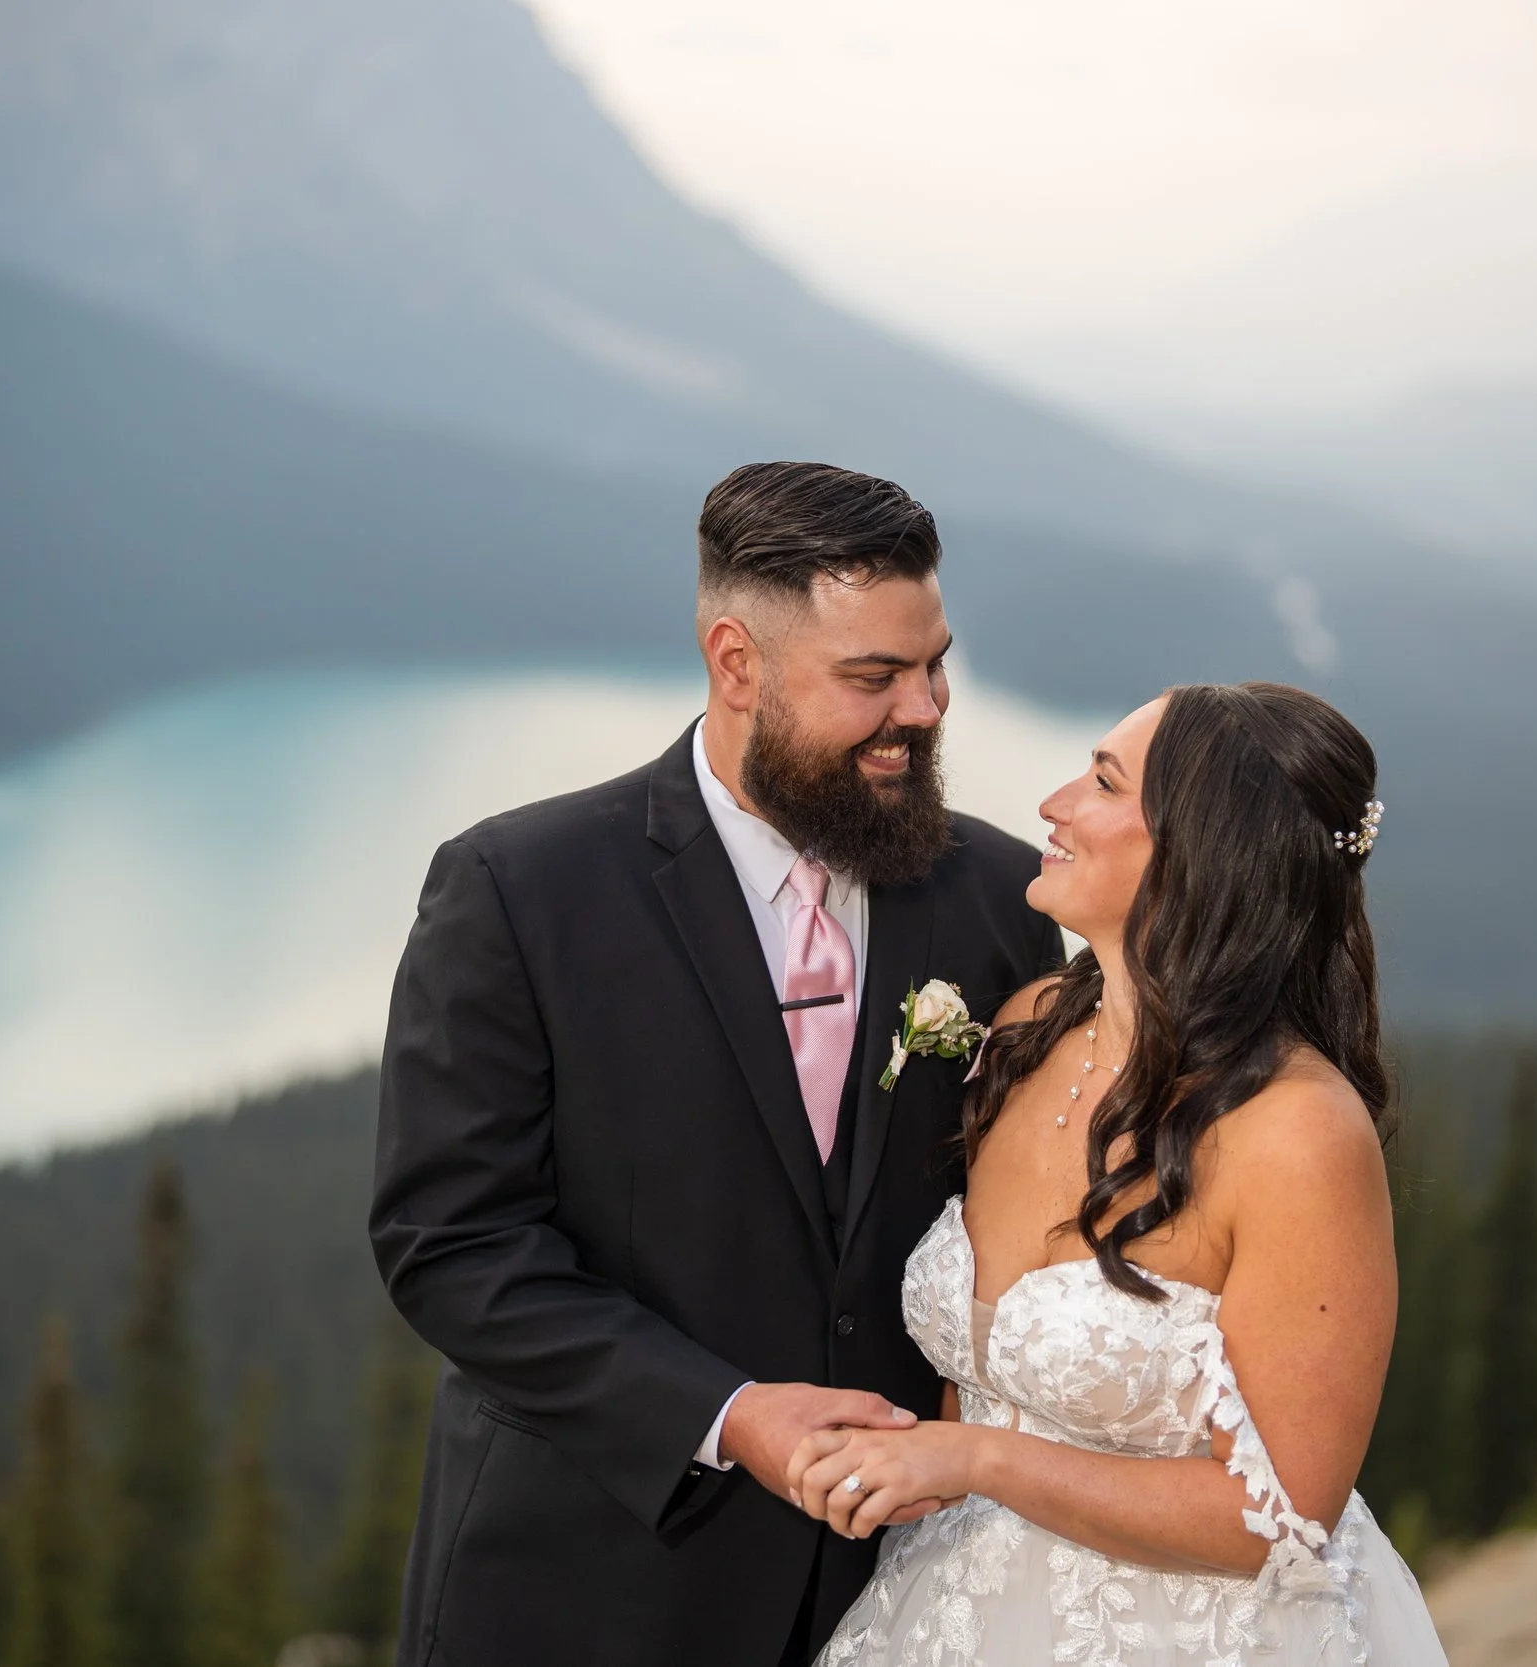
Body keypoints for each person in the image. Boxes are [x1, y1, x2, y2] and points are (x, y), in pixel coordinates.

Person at [368, 461, 1065, 1666]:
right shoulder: (518, 892)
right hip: (593, 1589)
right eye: (874, 676)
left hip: (898, 1592)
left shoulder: (1000, 896)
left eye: (934, 660)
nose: (927, 707)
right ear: (736, 661)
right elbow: (453, 1244)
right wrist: (731, 1415)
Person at [793, 684, 1448, 1666]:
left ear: (1200, 850)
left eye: (1100, 780)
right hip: (944, 1609)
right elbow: (973, 1372)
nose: (1052, 802)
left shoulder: (1297, 1132)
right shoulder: (1025, 1025)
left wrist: (978, 1458)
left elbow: (1279, 1520)